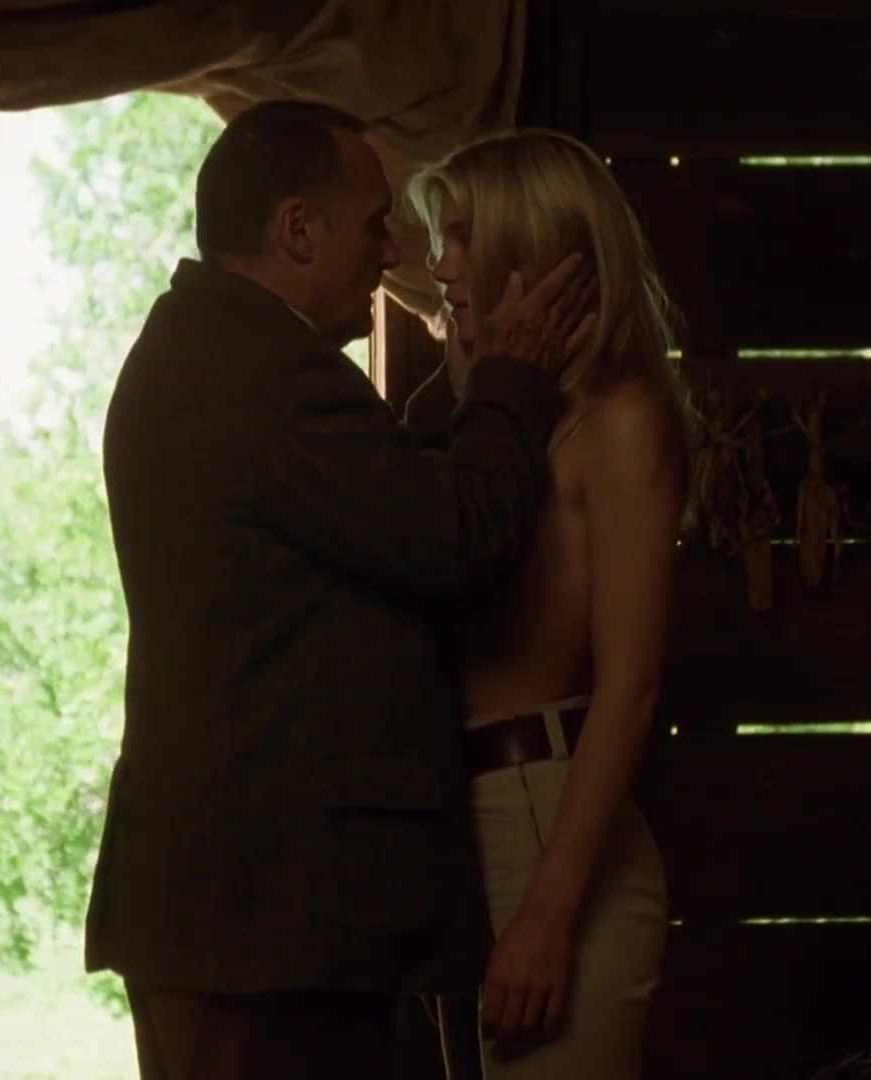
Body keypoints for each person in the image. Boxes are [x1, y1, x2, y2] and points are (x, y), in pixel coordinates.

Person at [84, 100, 597, 1080]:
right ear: (297, 230)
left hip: (242, 915)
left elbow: (383, 508)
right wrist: (512, 379)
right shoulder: (260, 369)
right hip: (262, 920)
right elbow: (450, 536)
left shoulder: (217, 349)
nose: (394, 252)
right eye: (375, 223)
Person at [402, 127, 691, 1077]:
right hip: (469, 825)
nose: (440, 264)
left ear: (532, 246)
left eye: (460, 236)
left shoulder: (621, 417)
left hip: (548, 821)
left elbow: (632, 687)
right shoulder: (491, 419)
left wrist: (547, 916)